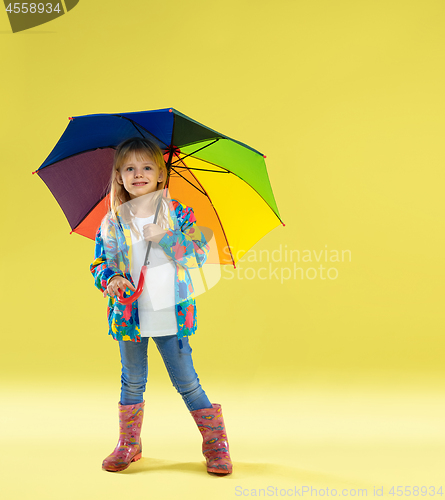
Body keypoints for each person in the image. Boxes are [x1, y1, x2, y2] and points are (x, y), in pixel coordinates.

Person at [90, 137, 232, 475]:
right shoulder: (112, 221)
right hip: (130, 316)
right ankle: (129, 444)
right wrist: (111, 279)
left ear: (160, 175)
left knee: (187, 382)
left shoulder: (178, 213)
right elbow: (99, 263)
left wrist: (165, 236)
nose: (138, 174)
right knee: (132, 381)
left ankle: (216, 445)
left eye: (147, 167)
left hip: (171, 313)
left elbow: (198, 254)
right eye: (130, 168)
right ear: (119, 176)